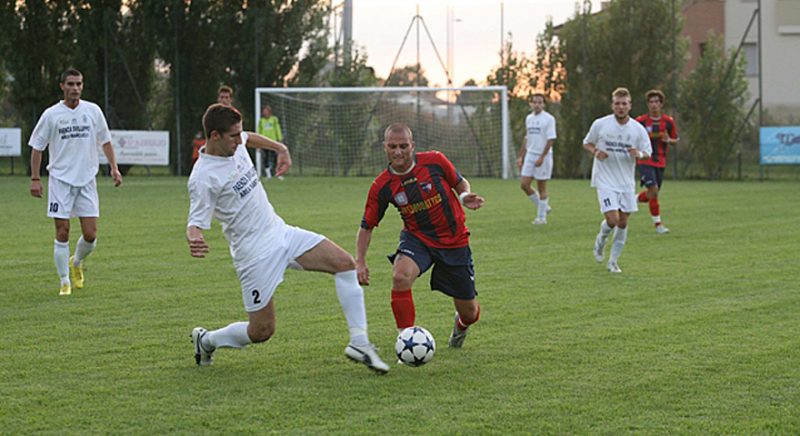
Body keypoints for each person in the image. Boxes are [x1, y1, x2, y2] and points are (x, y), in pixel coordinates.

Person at [187, 103, 388, 374]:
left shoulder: (235, 143)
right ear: (214, 136)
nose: (240, 140)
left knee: (345, 264)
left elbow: (249, 136)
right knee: (261, 331)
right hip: (254, 255)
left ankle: (360, 343)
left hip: (281, 232)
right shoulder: (203, 177)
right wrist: (194, 235)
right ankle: (207, 340)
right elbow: (196, 220)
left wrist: (280, 148)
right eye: (233, 136)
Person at [356, 123, 485, 350]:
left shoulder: (435, 161)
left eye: (403, 146)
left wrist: (464, 196)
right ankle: (406, 342)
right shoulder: (381, 185)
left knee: (471, 313)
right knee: (400, 276)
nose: (398, 152)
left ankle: (461, 325)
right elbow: (367, 226)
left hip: (454, 241)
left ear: (412, 146)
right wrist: (361, 262)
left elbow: (458, 182)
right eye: (393, 146)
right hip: (418, 239)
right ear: (384, 147)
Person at [28, 68, 123, 296]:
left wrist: (114, 168)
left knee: (91, 235)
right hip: (60, 181)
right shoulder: (51, 115)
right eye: (70, 84)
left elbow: (106, 141)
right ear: (62, 86)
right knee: (62, 232)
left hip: (87, 180)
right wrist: (35, 179)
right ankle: (64, 282)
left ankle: (77, 262)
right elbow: (37, 148)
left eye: (79, 84)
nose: (75, 88)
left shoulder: (93, 111)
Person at [582, 87, 652, 273]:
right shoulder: (601, 124)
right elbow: (587, 142)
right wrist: (596, 151)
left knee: (623, 222)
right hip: (605, 180)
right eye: (617, 104)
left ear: (630, 106)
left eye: (624, 104)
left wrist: (638, 153)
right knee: (612, 219)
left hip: (626, 182)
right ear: (612, 105)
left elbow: (647, 151)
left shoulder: (637, 129)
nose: (620, 107)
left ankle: (613, 261)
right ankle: (601, 241)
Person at [635, 89, 679, 234]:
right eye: (651, 102)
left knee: (652, 193)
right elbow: (631, 137)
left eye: (657, 102)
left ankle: (632, 199)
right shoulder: (640, 121)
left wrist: (669, 140)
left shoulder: (668, 122)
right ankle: (658, 224)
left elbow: (675, 140)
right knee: (653, 191)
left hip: (660, 161)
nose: (654, 104)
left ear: (661, 104)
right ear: (648, 105)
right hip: (645, 160)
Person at [516, 93, 557, 225]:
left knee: (541, 187)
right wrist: (521, 156)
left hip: (543, 156)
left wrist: (542, 157)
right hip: (530, 155)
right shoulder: (529, 118)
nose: (537, 104)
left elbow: (551, 139)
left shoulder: (549, 119)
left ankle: (541, 218)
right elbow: (527, 138)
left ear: (543, 104)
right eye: (535, 102)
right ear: (531, 104)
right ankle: (543, 206)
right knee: (524, 184)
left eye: (540, 102)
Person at [257, 105, 283, 180]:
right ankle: (268, 175)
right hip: (264, 142)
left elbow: (277, 129)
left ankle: (278, 173)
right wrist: (258, 143)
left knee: (275, 157)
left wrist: (279, 139)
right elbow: (259, 131)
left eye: (266, 111)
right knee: (265, 158)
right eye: (264, 111)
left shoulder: (274, 119)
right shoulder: (261, 121)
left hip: (273, 142)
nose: (265, 113)